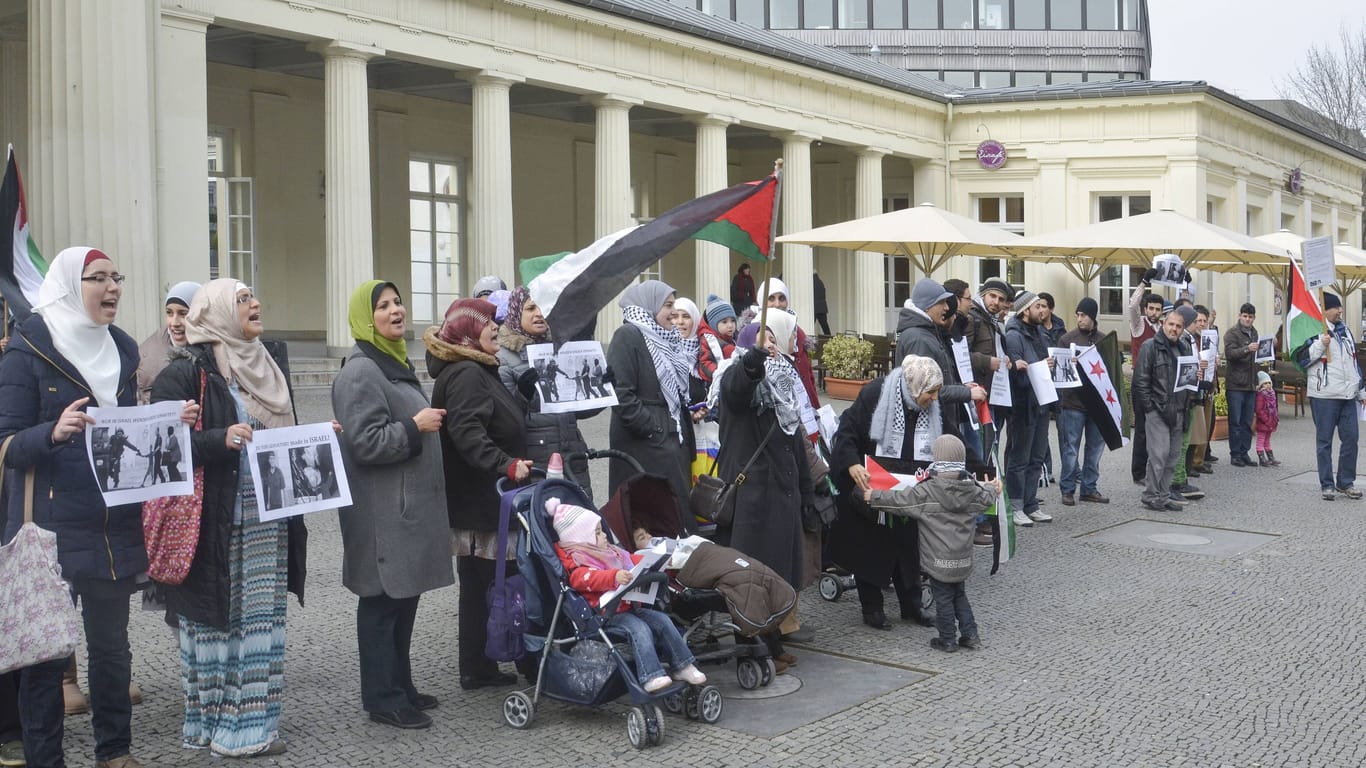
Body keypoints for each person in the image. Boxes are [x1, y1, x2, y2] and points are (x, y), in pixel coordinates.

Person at [0, 247, 193, 768]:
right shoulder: (26, 352)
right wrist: (52, 432)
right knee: (45, 660)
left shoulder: (123, 350)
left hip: (113, 525)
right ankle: (47, 760)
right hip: (51, 529)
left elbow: (126, 434)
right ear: (69, 285)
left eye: (117, 278)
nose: (113, 288)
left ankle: (115, 753)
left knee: (112, 650)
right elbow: (7, 444)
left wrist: (171, 419)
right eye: (99, 279)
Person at [150, 278, 303, 758]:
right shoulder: (183, 374)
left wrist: (316, 437)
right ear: (216, 311)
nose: (255, 303)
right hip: (215, 523)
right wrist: (219, 439)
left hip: (266, 521)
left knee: (257, 623)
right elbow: (161, 449)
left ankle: (248, 730)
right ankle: (209, 725)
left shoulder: (268, 364)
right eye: (242, 300)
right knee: (213, 622)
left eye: (254, 296)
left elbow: (280, 437)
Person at [332, 280, 455, 730]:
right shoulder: (361, 371)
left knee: (403, 601)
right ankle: (382, 699)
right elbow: (366, 443)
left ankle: (400, 685)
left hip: (402, 512)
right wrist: (414, 425)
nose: (395, 311)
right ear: (367, 318)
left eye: (398, 302)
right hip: (380, 515)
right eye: (383, 306)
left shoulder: (393, 364)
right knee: (382, 604)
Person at [426, 297, 535, 690]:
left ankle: (477, 665)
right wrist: (506, 463)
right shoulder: (469, 374)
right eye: (489, 323)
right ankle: (516, 659)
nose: (496, 328)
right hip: (484, 501)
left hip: (480, 500)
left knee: (479, 588)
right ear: (470, 331)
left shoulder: (477, 368)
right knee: (498, 585)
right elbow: (468, 434)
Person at [716, 312, 815, 654]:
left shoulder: (782, 386)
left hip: (780, 495)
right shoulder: (737, 376)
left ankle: (772, 641)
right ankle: (750, 647)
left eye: (773, 340)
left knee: (776, 573)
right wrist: (754, 359)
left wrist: (805, 489)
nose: (770, 345)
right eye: (763, 340)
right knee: (750, 577)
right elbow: (739, 387)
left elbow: (793, 441)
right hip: (751, 500)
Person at [829, 355, 946, 630]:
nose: (935, 398)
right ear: (915, 387)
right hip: (871, 485)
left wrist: (978, 470)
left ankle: (912, 605)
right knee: (871, 546)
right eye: (931, 392)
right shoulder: (875, 394)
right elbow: (846, 432)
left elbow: (949, 439)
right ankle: (872, 608)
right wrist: (852, 464)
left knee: (907, 547)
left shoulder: (929, 407)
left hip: (909, 487)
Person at [548, 498, 706, 691]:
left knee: (663, 620)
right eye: (597, 533)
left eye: (602, 530)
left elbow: (632, 559)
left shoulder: (611, 552)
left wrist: (657, 561)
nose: (604, 535)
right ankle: (650, 675)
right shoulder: (580, 563)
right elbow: (586, 579)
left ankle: (683, 665)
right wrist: (614, 576)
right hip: (606, 615)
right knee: (639, 629)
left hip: (629, 606)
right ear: (583, 539)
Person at [864, 434, 999, 652]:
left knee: (943, 598)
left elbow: (899, 501)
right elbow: (988, 497)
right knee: (959, 594)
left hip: (938, 560)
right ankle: (971, 635)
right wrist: (994, 487)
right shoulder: (973, 490)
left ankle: (947, 639)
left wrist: (873, 497)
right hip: (963, 559)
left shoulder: (927, 491)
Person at [606, 281, 695, 532]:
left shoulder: (665, 340)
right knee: (652, 517)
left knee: (672, 511)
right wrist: (651, 426)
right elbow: (621, 392)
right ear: (650, 305)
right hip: (645, 444)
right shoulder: (628, 335)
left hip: (665, 439)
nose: (672, 314)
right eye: (667, 306)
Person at [496, 286, 598, 501]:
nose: (539, 314)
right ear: (515, 313)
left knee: (580, 524)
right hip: (537, 461)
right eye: (531, 308)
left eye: (543, 307)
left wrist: (601, 390)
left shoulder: (561, 349)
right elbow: (504, 420)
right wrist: (522, 394)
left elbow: (577, 410)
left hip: (572, 456)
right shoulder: (503, 358)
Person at [1133, 305, 1196, 512]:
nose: (1174, 329)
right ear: (1163, 324)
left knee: (1173, 457)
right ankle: (1151, 495)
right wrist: (1150, 408)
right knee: (1158, 455)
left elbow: (1186, 380)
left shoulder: (1184, 347)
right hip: (1158, 410)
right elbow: (1140, 382)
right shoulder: (1150, 346)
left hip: (1179, 410)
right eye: (1171, 324)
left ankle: (1163, 494)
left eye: (1178, 326)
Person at [1302, 292, 1365, 499]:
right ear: (1324, 310)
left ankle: (1345, 482)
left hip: (1348, 396)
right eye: (1336, 308)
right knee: (1324, 442)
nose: (1340, 311)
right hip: (1324, 396)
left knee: (1351, 439)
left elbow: (1354, 362)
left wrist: (1361, 390)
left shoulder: (1345, 330)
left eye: (1340, 308)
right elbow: (1302, 360)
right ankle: (1327, 484)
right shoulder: (1313, 332)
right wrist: (1321, 343)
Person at [1002, 291, 1055, 526]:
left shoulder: (1039, 332)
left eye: (1043, 307)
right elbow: (1016, 372)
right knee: (1019, 458)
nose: (1042, 311)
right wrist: (1036, 366)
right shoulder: (1013, 335)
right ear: (1025, 311)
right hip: (1023, 405)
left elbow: (1042, 362)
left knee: (1036, 457)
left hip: (1041, 403)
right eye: (1037, 307)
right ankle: (1015, 506)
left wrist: (1056, 363)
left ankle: (1031, 503)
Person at [1056, 298, 1109, 506]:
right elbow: (1059, 372)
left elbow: (1109, 371)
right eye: (1078, 315)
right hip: (1073, 402)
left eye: (1084, 315)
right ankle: (1067, 489)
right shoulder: (1066, 339)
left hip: (1097, 403)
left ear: (1093, 317)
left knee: (1095, 448)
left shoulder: (1104, 340)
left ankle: (1089, 488)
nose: (1080, 319)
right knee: (1071, 448)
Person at [756, 278, 821, 408]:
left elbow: (808, 377)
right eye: (771, 298)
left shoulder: (798, 333)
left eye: (781, 298)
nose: (777, 304)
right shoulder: (755, 332)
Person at [135, 281, 200, 404]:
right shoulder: (151, 358)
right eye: (169, 313)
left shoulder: (214, 347)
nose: (174, 322)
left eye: (183, 313)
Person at [1128, 280, 1165, 484]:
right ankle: (1138, 473)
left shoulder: (1162, 328)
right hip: (1140, 381)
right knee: (1142, 430)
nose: (1153, 312)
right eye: (1151, 308)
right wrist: (1143, 283)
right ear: (1146, 309)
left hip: (1158, 382)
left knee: (1156, 428)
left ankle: (1153, 468)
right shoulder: (1138, 323)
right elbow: (1132, 305)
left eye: (1157, 309)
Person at [1223, 303, 1261, 467]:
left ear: (1253, 318)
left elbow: (1256, 356)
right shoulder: (1232, 333)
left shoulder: (1254, 332)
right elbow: (1230, 354)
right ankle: (1235, 454)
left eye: (1250, 317)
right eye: (1245, 316)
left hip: (1250, 384)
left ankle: (1244, 452)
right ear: (1240, 316)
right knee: (1235, 422)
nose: (1247, 319)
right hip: (1236, 385)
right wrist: (1247, 349)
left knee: (1247, 422)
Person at [696, 294, 737, 388]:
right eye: (724, 322)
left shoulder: (733, 339)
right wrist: (718, 372)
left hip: (731, 382)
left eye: (733, 321)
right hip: (713, 383)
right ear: (713, 324)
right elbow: (705, 362)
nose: (730, 325)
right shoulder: (708, 340)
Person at [1253, 371, 1281, 468]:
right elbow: (1259, 410)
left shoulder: (1272, 394)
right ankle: (1261, 458)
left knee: (1267, 439)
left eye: (1269, 383)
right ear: (1261, 385)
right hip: (1264, 422)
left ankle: (1270, 457)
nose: (1268, 385)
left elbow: (1274, 408)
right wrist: (1267, 420)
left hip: (1271, 421)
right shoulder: (1261, 395)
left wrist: (1275, 419)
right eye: (1265, 383)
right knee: (1261, 439)